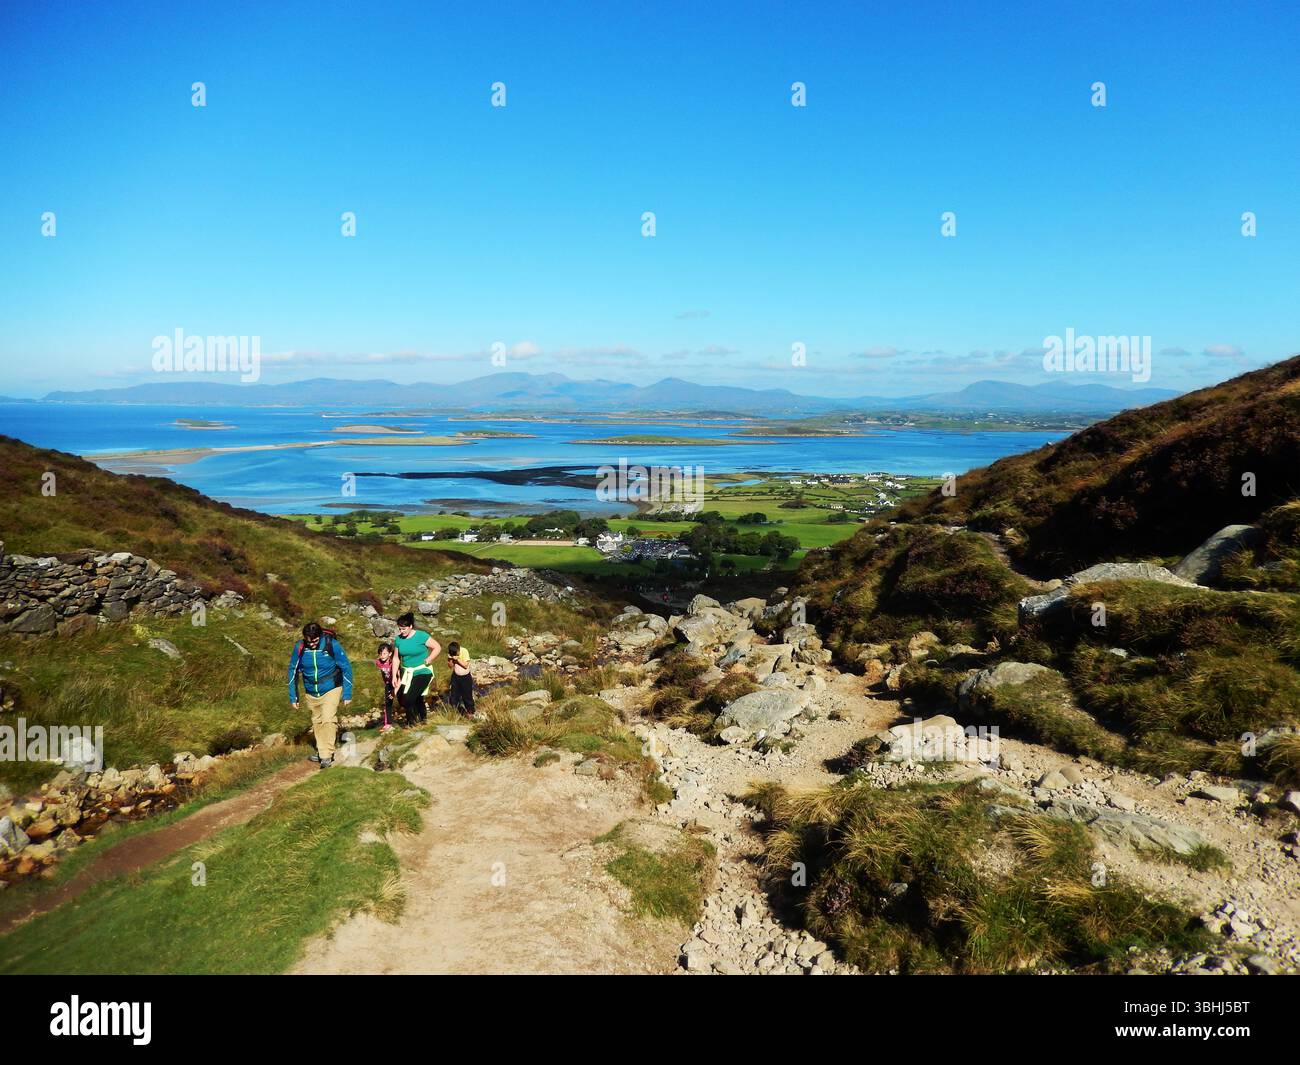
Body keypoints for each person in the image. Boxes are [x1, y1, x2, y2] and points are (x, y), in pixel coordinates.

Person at [288, 622, 353, 768]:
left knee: (328, 719)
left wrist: (347, 693)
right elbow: (292, 671)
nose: (312, 644)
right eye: (309, 641)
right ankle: (322, 750)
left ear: (320, 636)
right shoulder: (300, 648)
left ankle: (326, 755)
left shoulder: (332, 645)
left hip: (331, 687)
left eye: (315, 641)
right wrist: (294, 696)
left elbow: (346, 667)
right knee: (317, 722)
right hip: (311, 691)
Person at [393, 612, 441, 725]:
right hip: (407, 673)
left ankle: (412, 724)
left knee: (408, 698)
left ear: (410, 627)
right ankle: (423, 720)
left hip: (423, 671)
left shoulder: (421, 635)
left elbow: (437, 647)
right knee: (413, 698)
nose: (401, 631)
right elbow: (396, 658)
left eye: (403, 629)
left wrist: (429, 658)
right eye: (399, 629)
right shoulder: (398, 640)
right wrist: (394, 676)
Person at [446, 641, 474, 716]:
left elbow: (465, 665)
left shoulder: (464, 651)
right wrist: (450, 659)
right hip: (455, 677)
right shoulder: (451, 652)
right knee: (453, 697)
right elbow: (450, 666)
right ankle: (458, 713)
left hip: (465, 677)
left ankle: (470, 713)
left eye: (456, 652)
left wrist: (457, 659)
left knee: (467, 696)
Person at [375, 641, 397, 733]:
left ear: (390, 653)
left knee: (404, 701)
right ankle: (388, 724)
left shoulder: (393, 662)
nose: (382, 655)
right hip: (388, 684)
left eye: (384, 653)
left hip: (397, 683)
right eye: (380, 653)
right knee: (388, 703)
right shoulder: (378, 662)